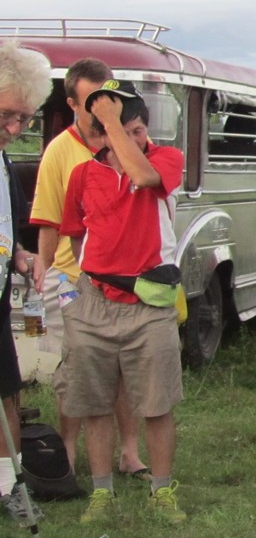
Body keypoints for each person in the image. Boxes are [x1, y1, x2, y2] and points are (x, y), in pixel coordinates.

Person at [59, 80, 187, 522]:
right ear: (98, 136)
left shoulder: (165, 159)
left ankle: (162, 491)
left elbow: (145, 178)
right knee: (94, 402)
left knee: (156, 402)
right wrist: (90, 278)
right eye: (120, 131)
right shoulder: (83, 174)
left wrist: (113, 121)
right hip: (95, 301)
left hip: (149, 303)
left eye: (137, 131)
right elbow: (75, 235)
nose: (131, 139)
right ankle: (102, 492)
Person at [27, 57, 148, 479]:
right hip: (73, 278)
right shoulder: (59, 152)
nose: (102, 109)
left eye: (108, 100)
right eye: (92, 101)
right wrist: (46, 278)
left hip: (126, 277)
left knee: (124, 368)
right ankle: (67, 453)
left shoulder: (128, 140)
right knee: (76, 368)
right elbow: (48, 223)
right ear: (73, 104)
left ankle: (129, 452)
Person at [0, 40, 51, 522]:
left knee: (6, 395)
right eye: (6, 116)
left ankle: (6, 487)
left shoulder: (4, 163)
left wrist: (19, 255)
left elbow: (8, 230)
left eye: (23, 119)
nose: (15, 129)